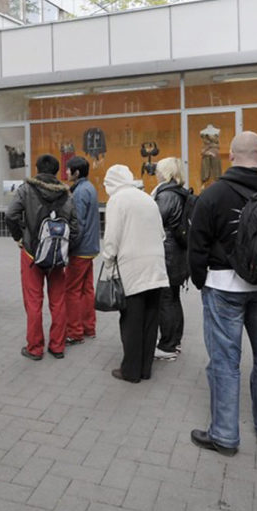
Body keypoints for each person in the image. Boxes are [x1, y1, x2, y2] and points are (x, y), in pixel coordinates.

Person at [188, 131, 257, 456]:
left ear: (230, 156)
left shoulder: (214, 193)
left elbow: (197, 245)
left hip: (224, 287)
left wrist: (199, 280)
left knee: (225, 361)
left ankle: (224, 435)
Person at [6, 154, 79, 360]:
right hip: (57, 254)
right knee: (58, 300)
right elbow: (75, 226)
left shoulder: (26, 189)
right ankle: (57, 346)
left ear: (37, 169)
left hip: (31, 252)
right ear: (57, 171)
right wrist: (65, 246)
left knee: (33, 301)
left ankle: (35, 348)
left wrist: (19, 237)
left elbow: (11, 215)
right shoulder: (67, 193)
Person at [102, 165, 169, 381]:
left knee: (131, 320)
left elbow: (112, 238)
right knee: (150, 319)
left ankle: (130, 371)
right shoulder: (147, 198)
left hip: (133, 267)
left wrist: (108, 262)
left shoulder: (117, 200)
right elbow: (161, 234)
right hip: (156, 266)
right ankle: (145, 369)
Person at [150, 157, 189, 360]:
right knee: (173, 298)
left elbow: (154, 220)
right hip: (177, 254)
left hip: (168, 254)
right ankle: (175, 341)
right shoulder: (178, 192)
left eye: (158, 170)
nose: (155, 173)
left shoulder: (166, 195)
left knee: (166, 299)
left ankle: (167, 345)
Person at [64, 156, 100, 346]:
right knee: (87, 289)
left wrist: (68, 247)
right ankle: (88, 327)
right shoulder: (90, 188)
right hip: (91, 248)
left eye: (68, 170)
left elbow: (77, 224)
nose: (66, 173)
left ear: (76, 172)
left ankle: (75, 332)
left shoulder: (79, 193)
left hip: (79, 249)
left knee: (71, 290)